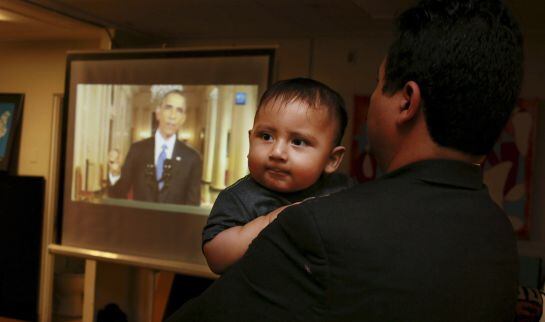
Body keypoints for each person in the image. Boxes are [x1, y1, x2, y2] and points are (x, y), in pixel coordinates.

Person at [167, 0, 523, 320]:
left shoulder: (317, 226)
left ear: (405, 101)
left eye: (378, 82)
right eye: (266, 136)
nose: (278, 151)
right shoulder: (496, 232)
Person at [202, 78, 354, 274]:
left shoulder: (341, 190)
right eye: (266, 137)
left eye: (298, 142)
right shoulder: (239, 198)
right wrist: (273, 220)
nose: (277, 152)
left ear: (331, 159)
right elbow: (216, 257)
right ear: (250, 139)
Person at [108, 90, 202, 205]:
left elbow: (192, 207)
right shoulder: (137, 150)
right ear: (158, 113)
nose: (173, 115)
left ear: (183, 119)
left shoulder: (192, 158)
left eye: (179, 110)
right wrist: (115, 174)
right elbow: (118, 195)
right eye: (168, 107)